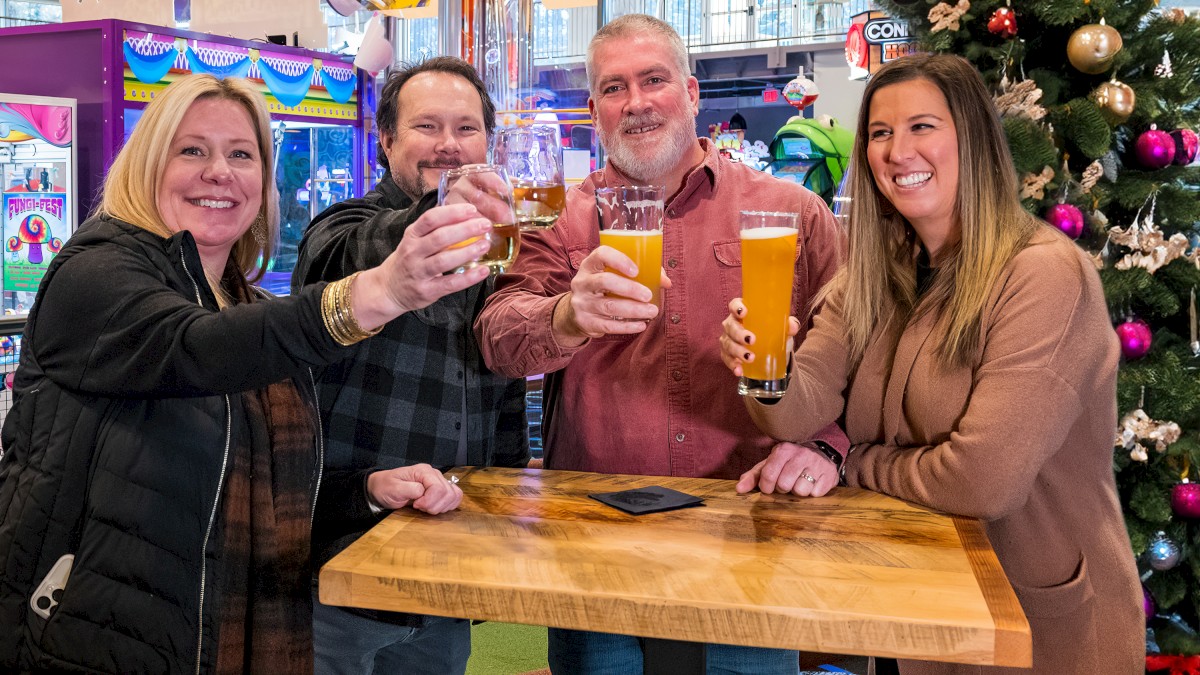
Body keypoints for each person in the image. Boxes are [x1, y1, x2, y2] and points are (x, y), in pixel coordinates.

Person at [0, 73, 489, 673]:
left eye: (241, 154)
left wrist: (364, 490)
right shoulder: (95, 273)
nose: (219, 172)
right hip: (91, 638)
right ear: (147, 164)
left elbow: (260, 490)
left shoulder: (245, 305)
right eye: (192, 150)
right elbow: (196, 349)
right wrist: (380, 291)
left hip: (224, 632)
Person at [721, 53, 1143, 673]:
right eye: (881, 133)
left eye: (922, 127)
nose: (897, 152)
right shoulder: (870, 273)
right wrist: (767, 369)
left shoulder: (1043, 274)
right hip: (908, 609)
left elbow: (983, 481)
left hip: (1032, 624)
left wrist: (848, 459)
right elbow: (795, 414)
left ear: (971, 139)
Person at [475, 14, 845, 674]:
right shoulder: (563, 218)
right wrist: (566, 315)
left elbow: (855, 355)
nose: (638, 103)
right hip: (600, 538)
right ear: (593, 110)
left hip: (751, 532)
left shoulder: (790, 211)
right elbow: (498, 336)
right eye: (614, 87)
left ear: (693, 92)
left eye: (654, 80)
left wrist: (825, 446)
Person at [293, 56, 529, 675]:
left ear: (490, 142)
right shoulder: (345, 228)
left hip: (446, 568)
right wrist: (432, 220)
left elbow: (504, 396)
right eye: (427, 127)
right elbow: (342, 256)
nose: (449, 145)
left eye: (467, 128)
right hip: (341, 558)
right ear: (386, 141)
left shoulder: (498, 253)